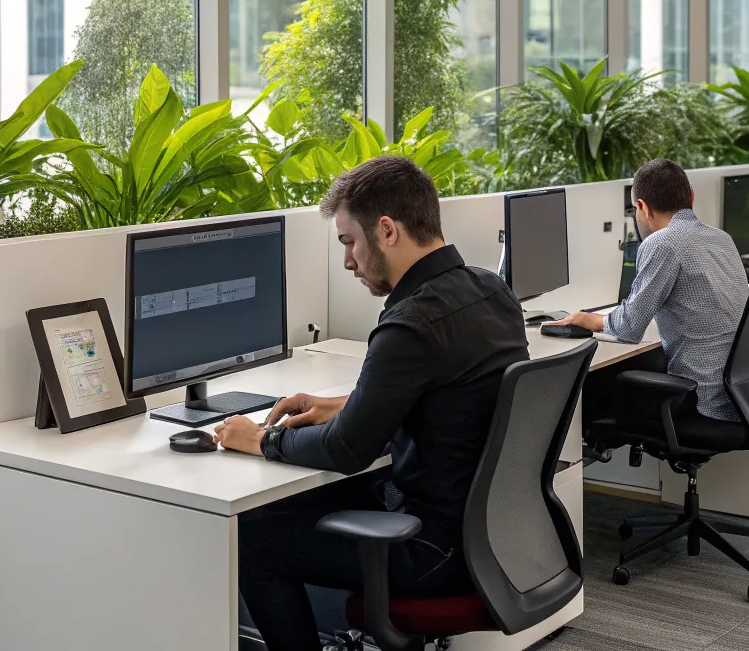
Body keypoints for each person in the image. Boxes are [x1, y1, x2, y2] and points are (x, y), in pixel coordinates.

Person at [215, 155, 529, 651]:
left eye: (348, 241)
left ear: (386, 231)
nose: (347, 261)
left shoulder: (411, 323)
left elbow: (347, 452)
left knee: (255, 541)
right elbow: (449, 394)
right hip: (496, 534)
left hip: (434, 548)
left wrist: (261, 440)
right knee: (304, 502)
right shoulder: (490, 289)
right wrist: (345, 403)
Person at [555, 158, 749, 423]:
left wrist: (591, 320)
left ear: (642, 207)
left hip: (698, 401)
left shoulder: (662, 242)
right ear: (691, 197)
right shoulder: (721, 238)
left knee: (591, 388)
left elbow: (629, 328)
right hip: (736, 397)